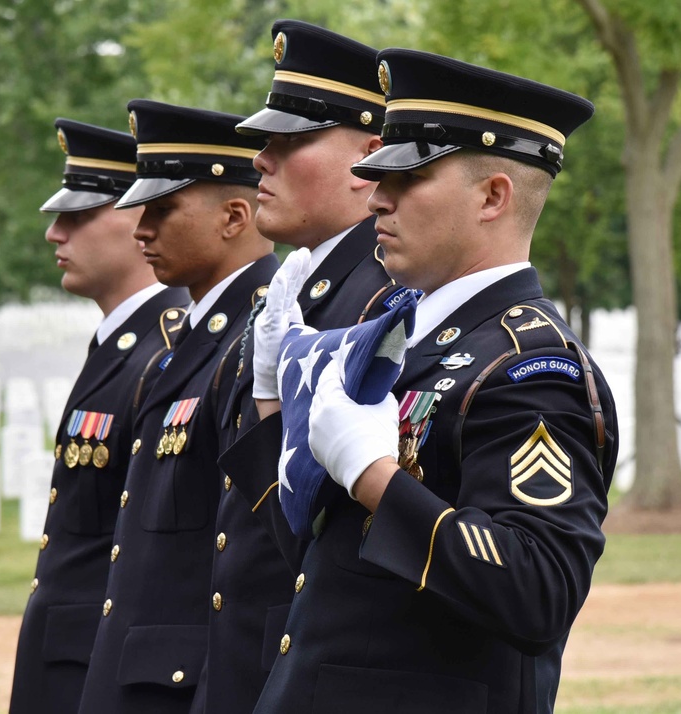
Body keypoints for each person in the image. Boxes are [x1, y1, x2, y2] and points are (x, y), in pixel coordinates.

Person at [251, 49, 618, 713]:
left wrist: (375, 479)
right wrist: (277, 406)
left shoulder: (531, 369)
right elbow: (316, 562)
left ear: (493, 196)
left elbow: (538, 591)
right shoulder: (391, 340)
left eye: (408, 178)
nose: (377, 196)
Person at [201, 19, 398, 714]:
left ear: (369, 158)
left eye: (290, 143)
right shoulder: (298, 290)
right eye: (264, 142)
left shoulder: (381, 298)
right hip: (247, 661)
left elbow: (319, 523)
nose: (260, 159)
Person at [75, 100, 278, 714]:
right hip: (144, 674)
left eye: (162, 212)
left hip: (187, 684)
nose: (141, 231)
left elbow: (246, 554)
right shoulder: (190, 338)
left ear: (234, 216)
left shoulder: (258, 337)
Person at [8, 118, 189, 714]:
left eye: (77, 216)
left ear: (139, 217)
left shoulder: (166, 352)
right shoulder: (121, 344)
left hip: (103, 670)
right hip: (68, 660)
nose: (54, 235)